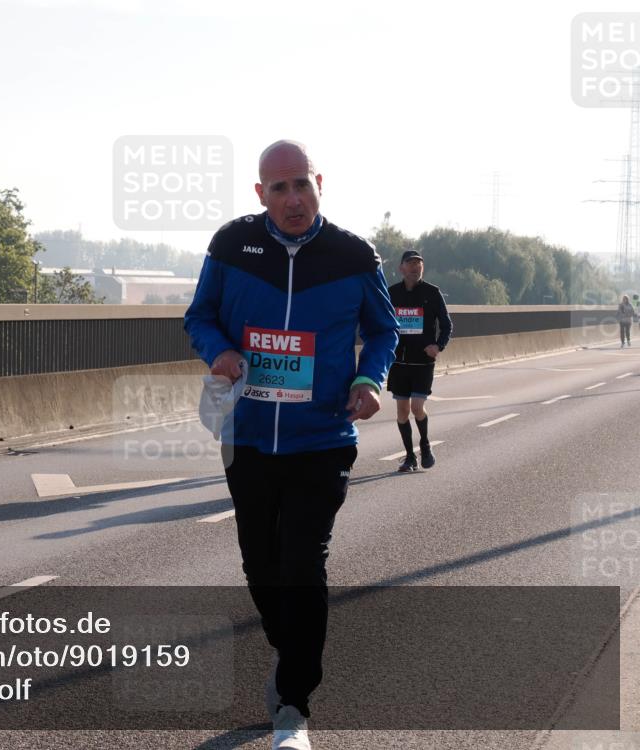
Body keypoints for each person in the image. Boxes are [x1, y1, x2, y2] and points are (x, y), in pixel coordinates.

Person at [184, 140, 398, 750]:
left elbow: (382, 330)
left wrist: (368, 378)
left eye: (301, 184)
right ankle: (293, 651)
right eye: (278, 188)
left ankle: (294, 707)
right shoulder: (231, 245)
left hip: (322, 438)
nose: (292, 198)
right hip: (248, 437)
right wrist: (219, 351)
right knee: (260, 566)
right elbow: (199, 316)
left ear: (319, 183)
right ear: (261, 195)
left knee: (303, 564)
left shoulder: (353, 255)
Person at [386, 250, 453, 471]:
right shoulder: (391, 293)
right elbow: (382, 323)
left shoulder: (432, 293)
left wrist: (438, 345)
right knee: (402, 412)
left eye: (419, 264)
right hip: (399, 362)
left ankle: (425, 445)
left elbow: (446, 324)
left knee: (417, 407)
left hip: (422, 362)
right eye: (411, 264)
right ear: (401, 268)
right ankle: (409, 457)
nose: (415, 268)